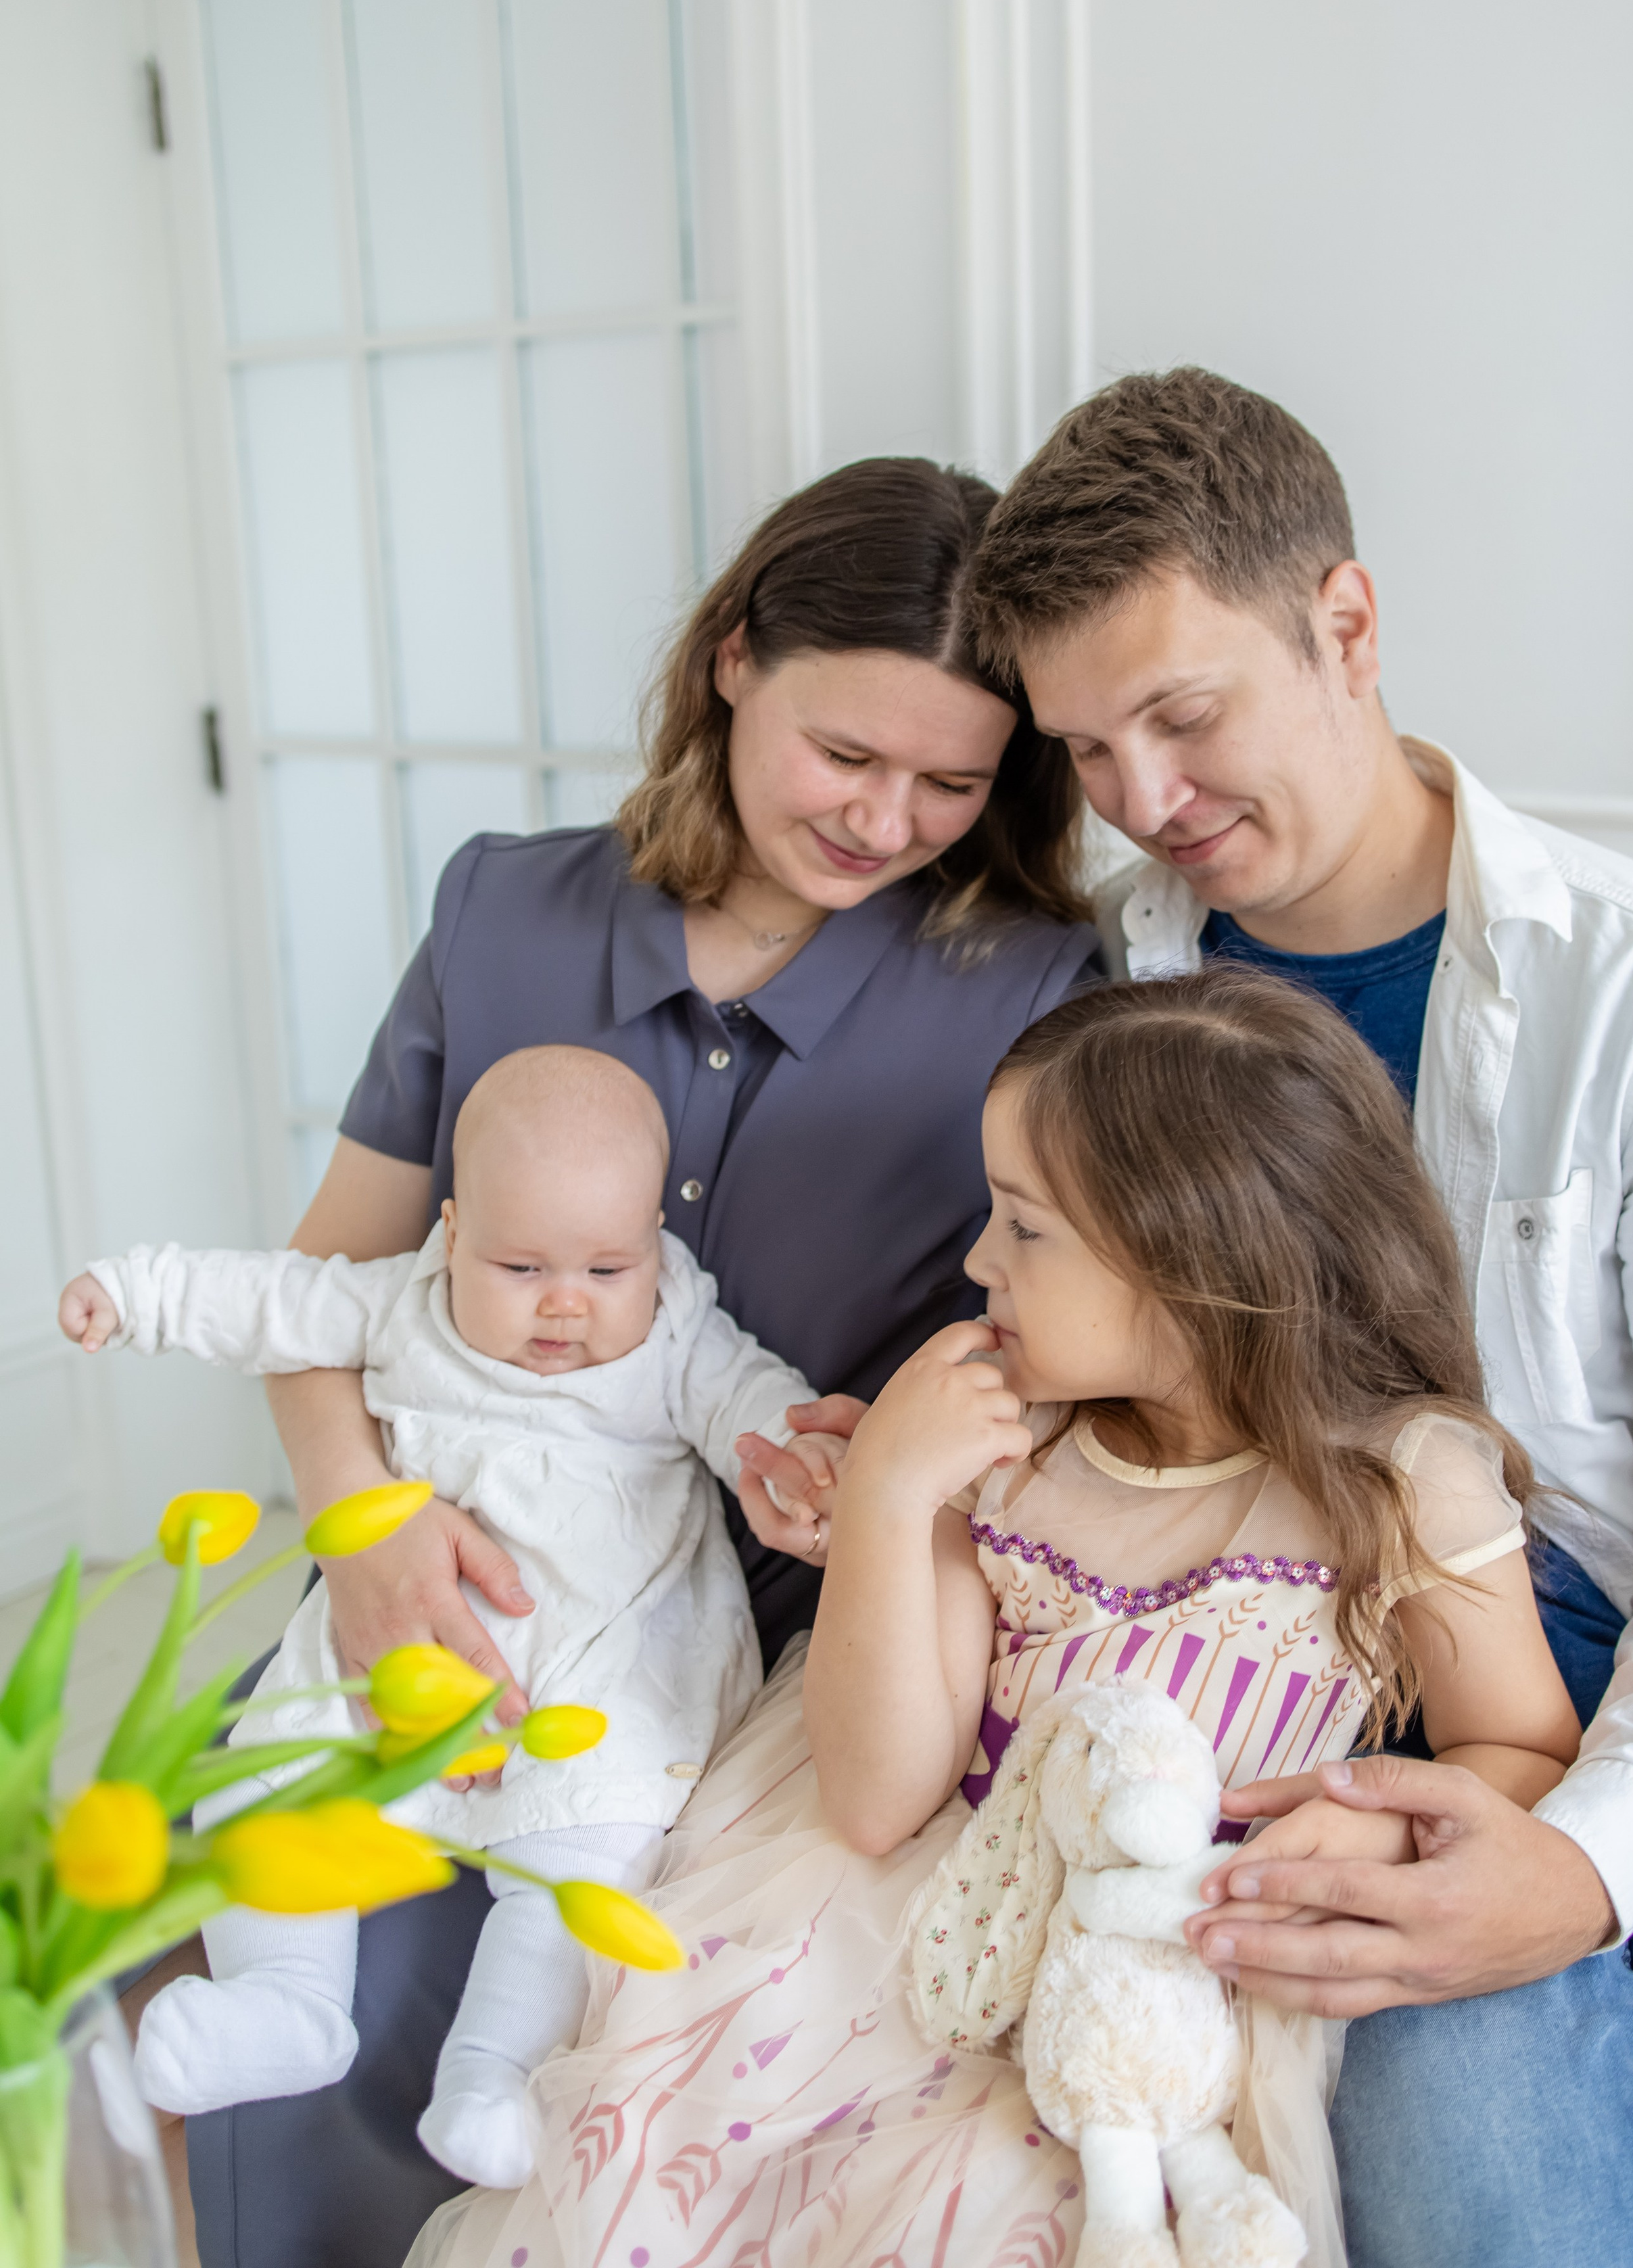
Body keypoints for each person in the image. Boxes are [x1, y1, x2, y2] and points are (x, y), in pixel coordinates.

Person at [176, 457, 1103, 2268]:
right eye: (850, 754)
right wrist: (365, 1539)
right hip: (421, 1562)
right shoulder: (501, 911)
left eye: (952, 782)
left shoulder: (1031, 985)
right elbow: (324, 1283)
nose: (888, 817)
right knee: (294, 1969)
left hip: (760, 1654)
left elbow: (1039, 1358)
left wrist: (874, 1458)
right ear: (735, 659)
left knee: (559, 2050)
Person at [404, 971, 1580, 2268]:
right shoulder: (1004, 1447)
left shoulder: (1406, 1482)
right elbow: (874, 1798)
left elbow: (1521, 1749)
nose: (976, 1262)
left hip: (1170, 1967)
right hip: (926, 1924)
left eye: (1024, 1227)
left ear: (1190, 1257)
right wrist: (893, 1500)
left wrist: (1355, 1843)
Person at [966, 364, 1633, 2268]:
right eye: (1086, 746)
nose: (1143, 800)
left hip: (1607, 1673)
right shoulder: (1104, 989)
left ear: (1348, 625)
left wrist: (1579, 1862)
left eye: (1185, 712)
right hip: (1265, 1673)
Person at [64, 1045, 845, 2186]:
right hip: (387, 1645)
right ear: (451, 1231)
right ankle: (285, 2006)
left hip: (593, 1661)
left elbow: (749, 1403)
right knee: (266, 1780)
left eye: (606, 1266)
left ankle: (495, 2074)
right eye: (521, 1265)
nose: (565, 1303)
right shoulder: (401, 1301)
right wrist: (133, 1293)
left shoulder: (676, 1330)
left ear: (654, 1249)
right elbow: (268, 1302)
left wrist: (800, 1458)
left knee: (594, 1852)